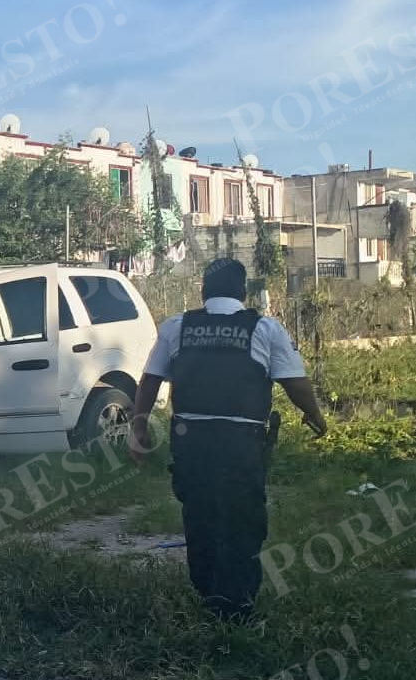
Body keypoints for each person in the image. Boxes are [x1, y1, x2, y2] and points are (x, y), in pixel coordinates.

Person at [128, 258, 328, 622]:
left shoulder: (177, 326)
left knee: (200, 516)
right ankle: (236, 606)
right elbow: (294, 382)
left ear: (203, 292)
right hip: (240, 442)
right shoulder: (265, 328)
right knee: (242, 520)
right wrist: (314, 414)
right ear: (243, 292)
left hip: (191, 441)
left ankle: (207, 593)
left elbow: (150, 380)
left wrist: (139, 429)